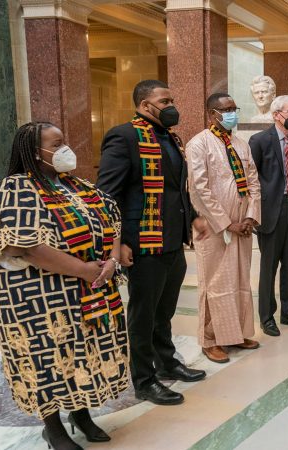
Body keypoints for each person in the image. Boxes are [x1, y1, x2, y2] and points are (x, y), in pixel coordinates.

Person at [0, 122, 128, 449]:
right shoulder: (15, 188)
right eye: (57, 143)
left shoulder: (76, 185)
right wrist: (84, 270)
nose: (65, 149)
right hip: (42, 294)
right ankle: (53, 427)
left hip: (87, 288)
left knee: (82, 352)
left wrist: (113, 260)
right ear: (35, 152)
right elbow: (27, 245)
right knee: (47, 356)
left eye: (65, 141)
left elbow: (112, 218)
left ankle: (81, 413)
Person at [97, 79, 206, 406]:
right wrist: (119, 242)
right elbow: (107, 196)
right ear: (145, 105)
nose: (172, 104)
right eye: (165, 100)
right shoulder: (125, 136)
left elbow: (176, 189)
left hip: (173, 239)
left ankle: (167, 361)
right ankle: (144, 380)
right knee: (143, 313)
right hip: (142, 242)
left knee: (165, 309)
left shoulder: (170, 137)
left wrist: (193, 218)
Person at [186, 93, 262, 363]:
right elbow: (199, 189)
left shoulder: (241, 144)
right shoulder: (198, 144)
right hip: (215, 227)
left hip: (243, 226)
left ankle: (237, 334)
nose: (232, 113)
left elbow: (253, 181)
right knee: (215, 283)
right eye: (225, 109)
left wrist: (250, 217)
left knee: (241, 280)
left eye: (234, 108)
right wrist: (228, 223)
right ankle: (210, 340)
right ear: (211, 114)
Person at [249, 95, 288, 336]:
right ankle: (267, 316)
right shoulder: (259, 141)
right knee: (268, 266)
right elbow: (252, 179)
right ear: (276, 115)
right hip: (271, 211)